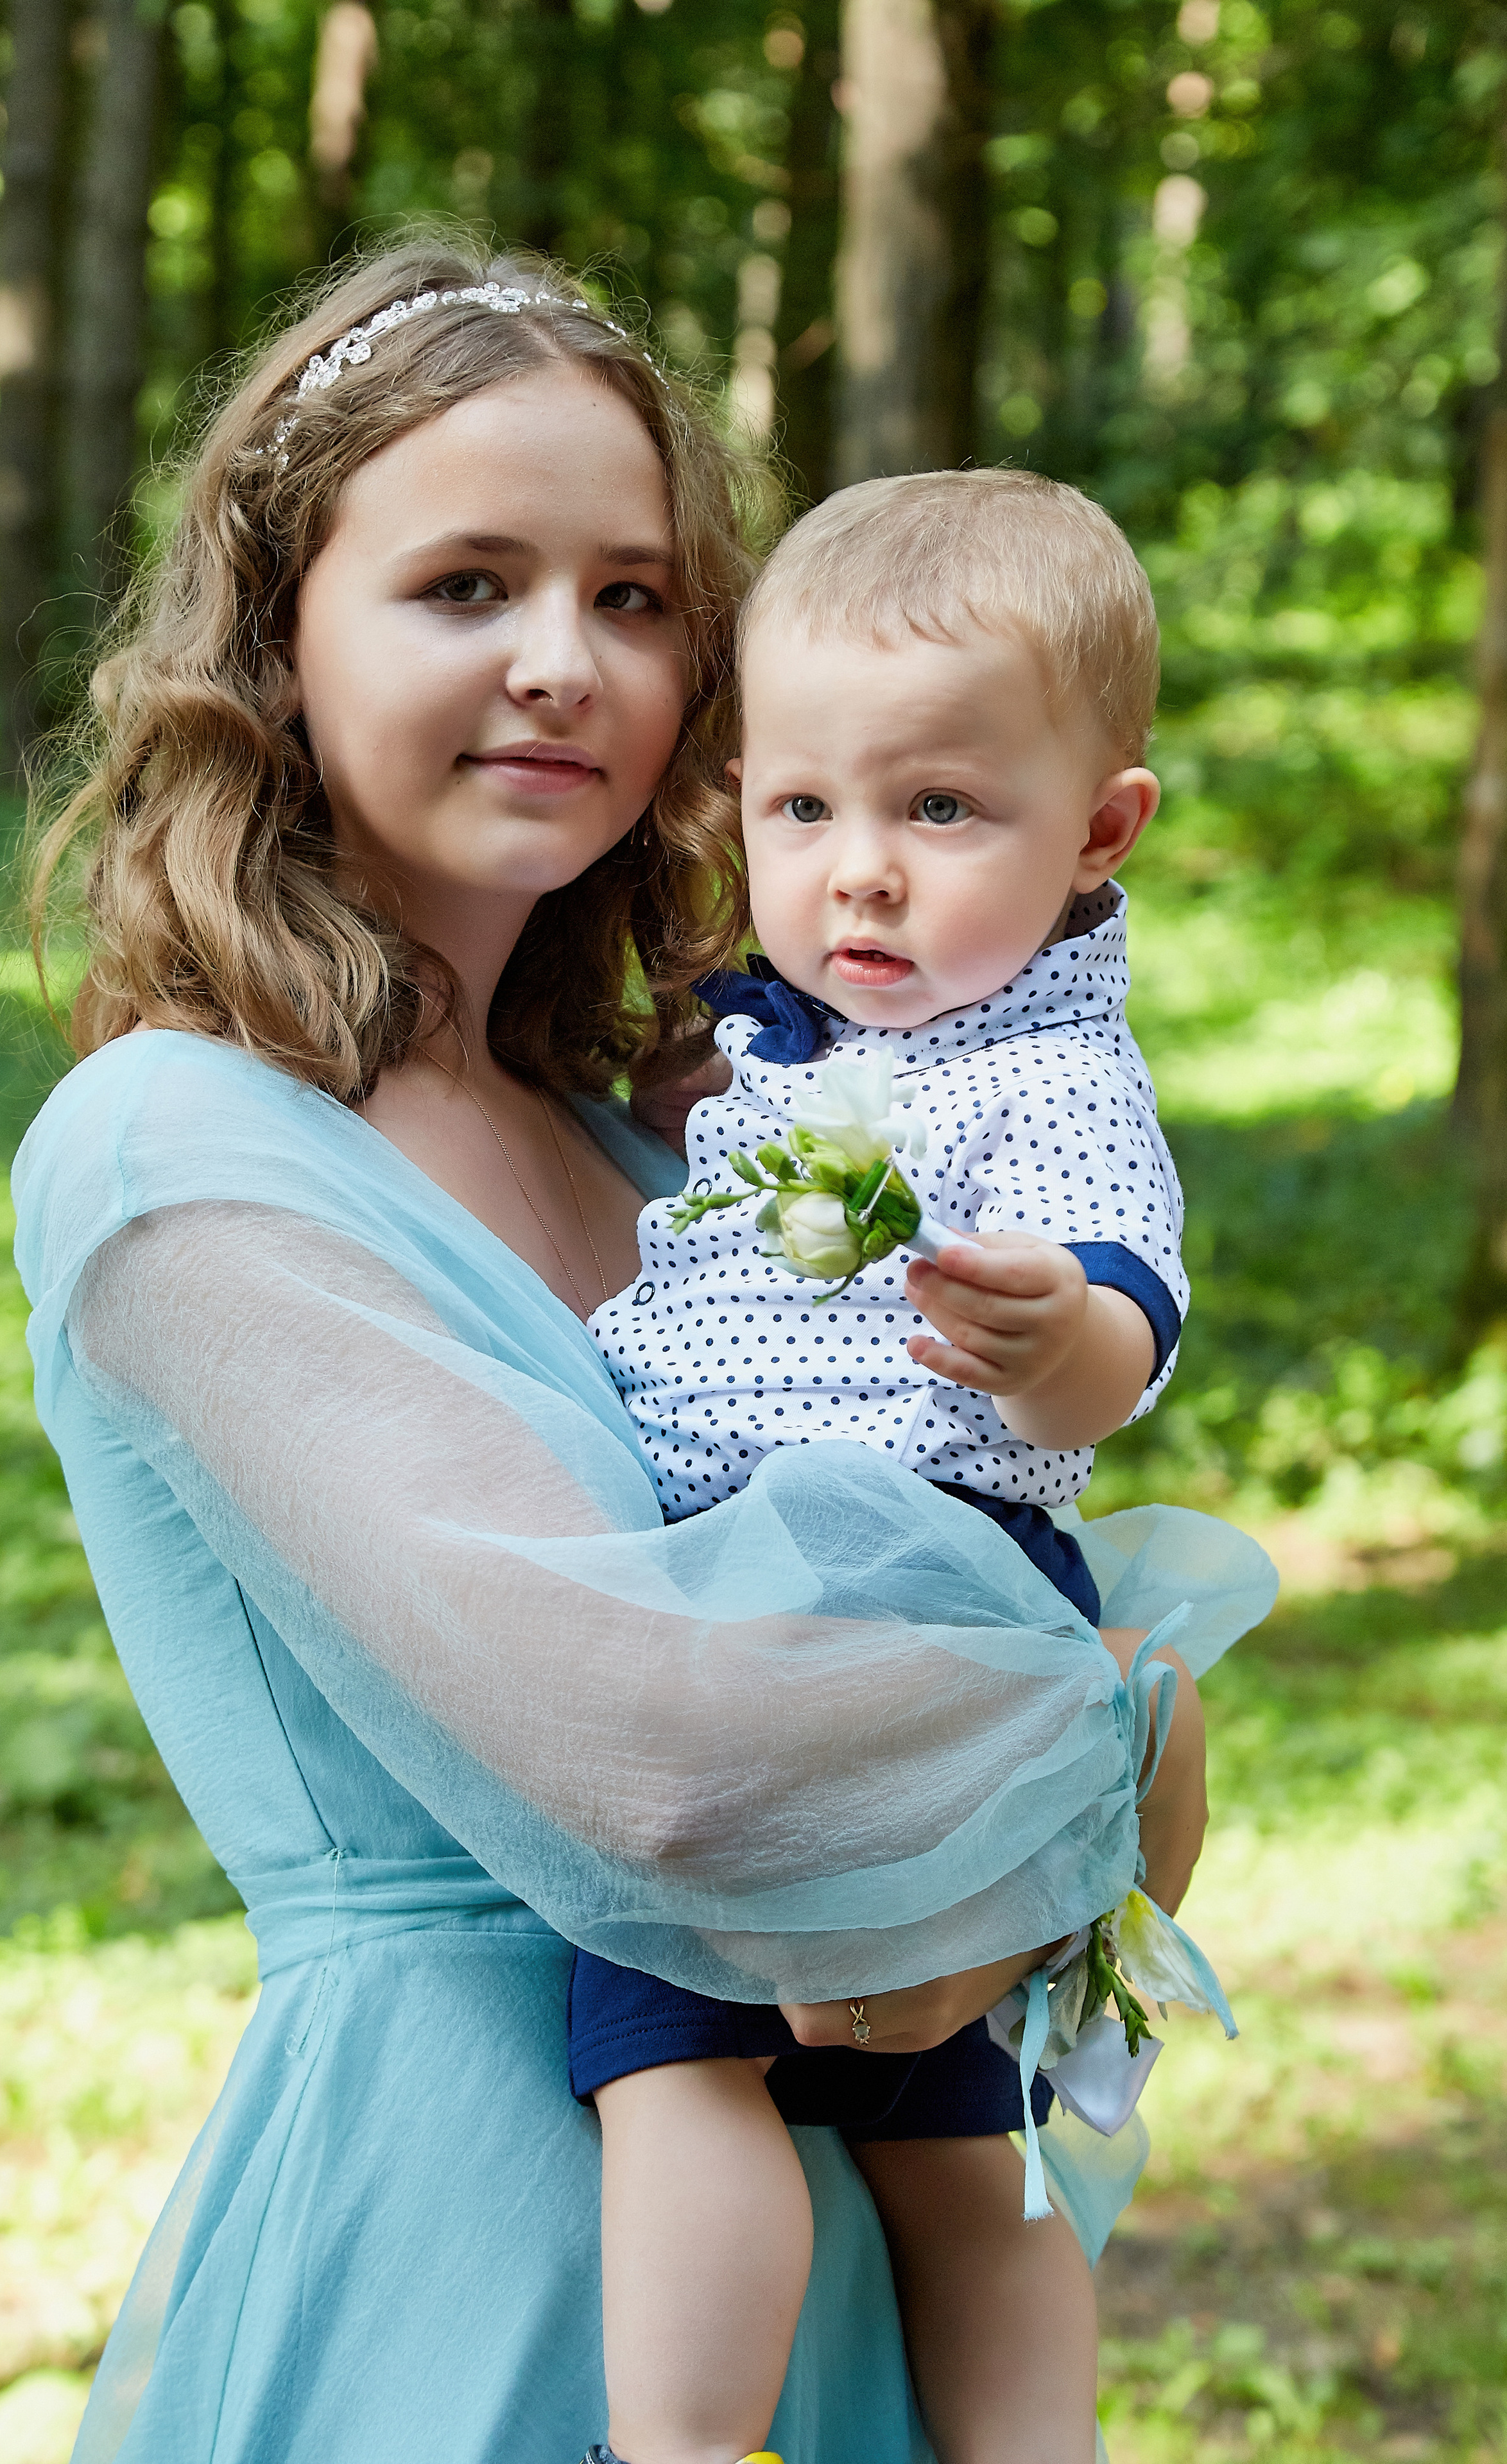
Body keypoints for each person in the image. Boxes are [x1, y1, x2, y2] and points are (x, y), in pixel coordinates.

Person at [15, 235, 1275, 2464]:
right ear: (283, 633)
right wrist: (1117, 1719)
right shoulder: (180, 1145)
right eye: (464, 584)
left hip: (837, 2225)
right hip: (488, 2228)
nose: (560, 665)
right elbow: (673, 1758)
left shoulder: (659, 1141)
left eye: (629, 596)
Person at [575, 472, 1228, 2464]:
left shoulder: (1048, 1074)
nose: (860, 874)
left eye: (940, 811)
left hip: (909, 1597)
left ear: (1099, 832)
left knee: (716, 2078)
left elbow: (1124, 1334)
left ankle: (692, 2443)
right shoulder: (761, 1046)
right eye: (805, 809)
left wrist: (1061, 1340)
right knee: (877, 2122)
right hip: (759, 1599)